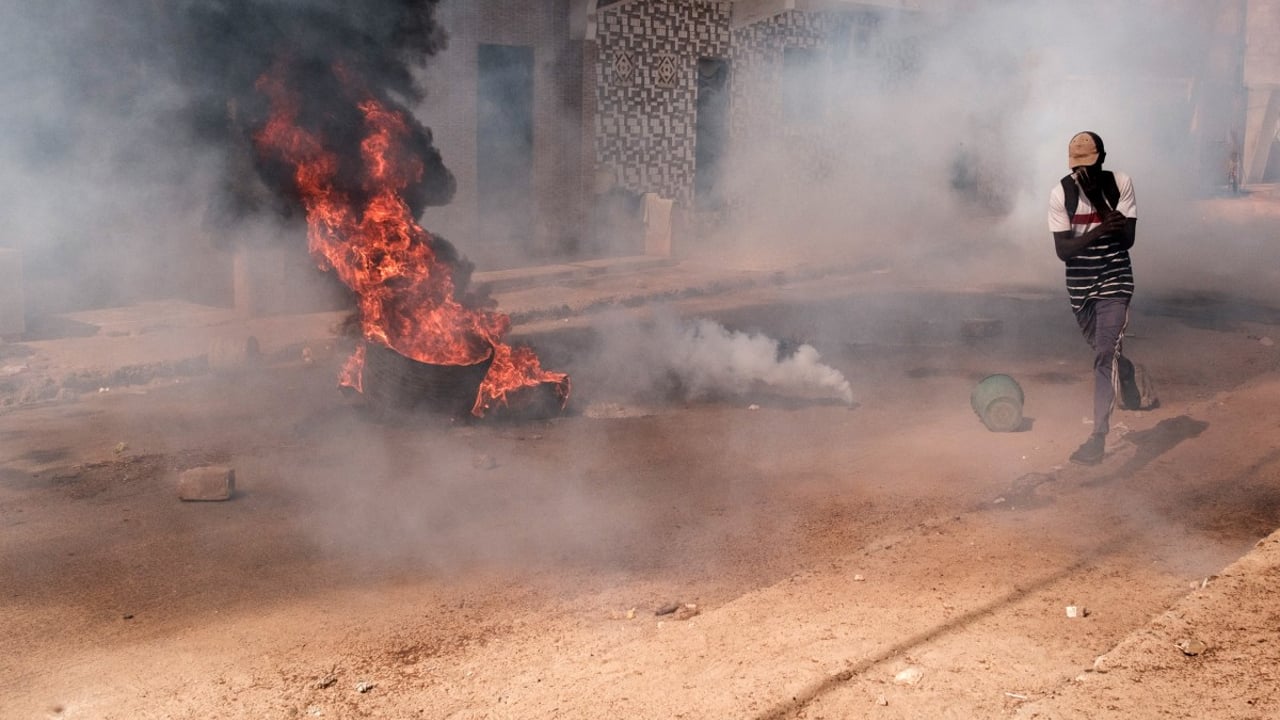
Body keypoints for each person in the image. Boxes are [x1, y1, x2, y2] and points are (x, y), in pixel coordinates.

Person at [1047, 131, 1138, 465]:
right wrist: (1101, 227)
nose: (1082, 173)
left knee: (1102, 355)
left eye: (1089, 165)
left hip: (1116, 280)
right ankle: (1124, 369)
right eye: (1077, 166)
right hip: (1081, 288)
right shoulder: (1061, 193)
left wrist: (1101, 202)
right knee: (1106, 353)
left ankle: (1098, 437)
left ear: (1102, 158)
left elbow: (1127, 240)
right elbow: (1063, 250)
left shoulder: (1120, 184)